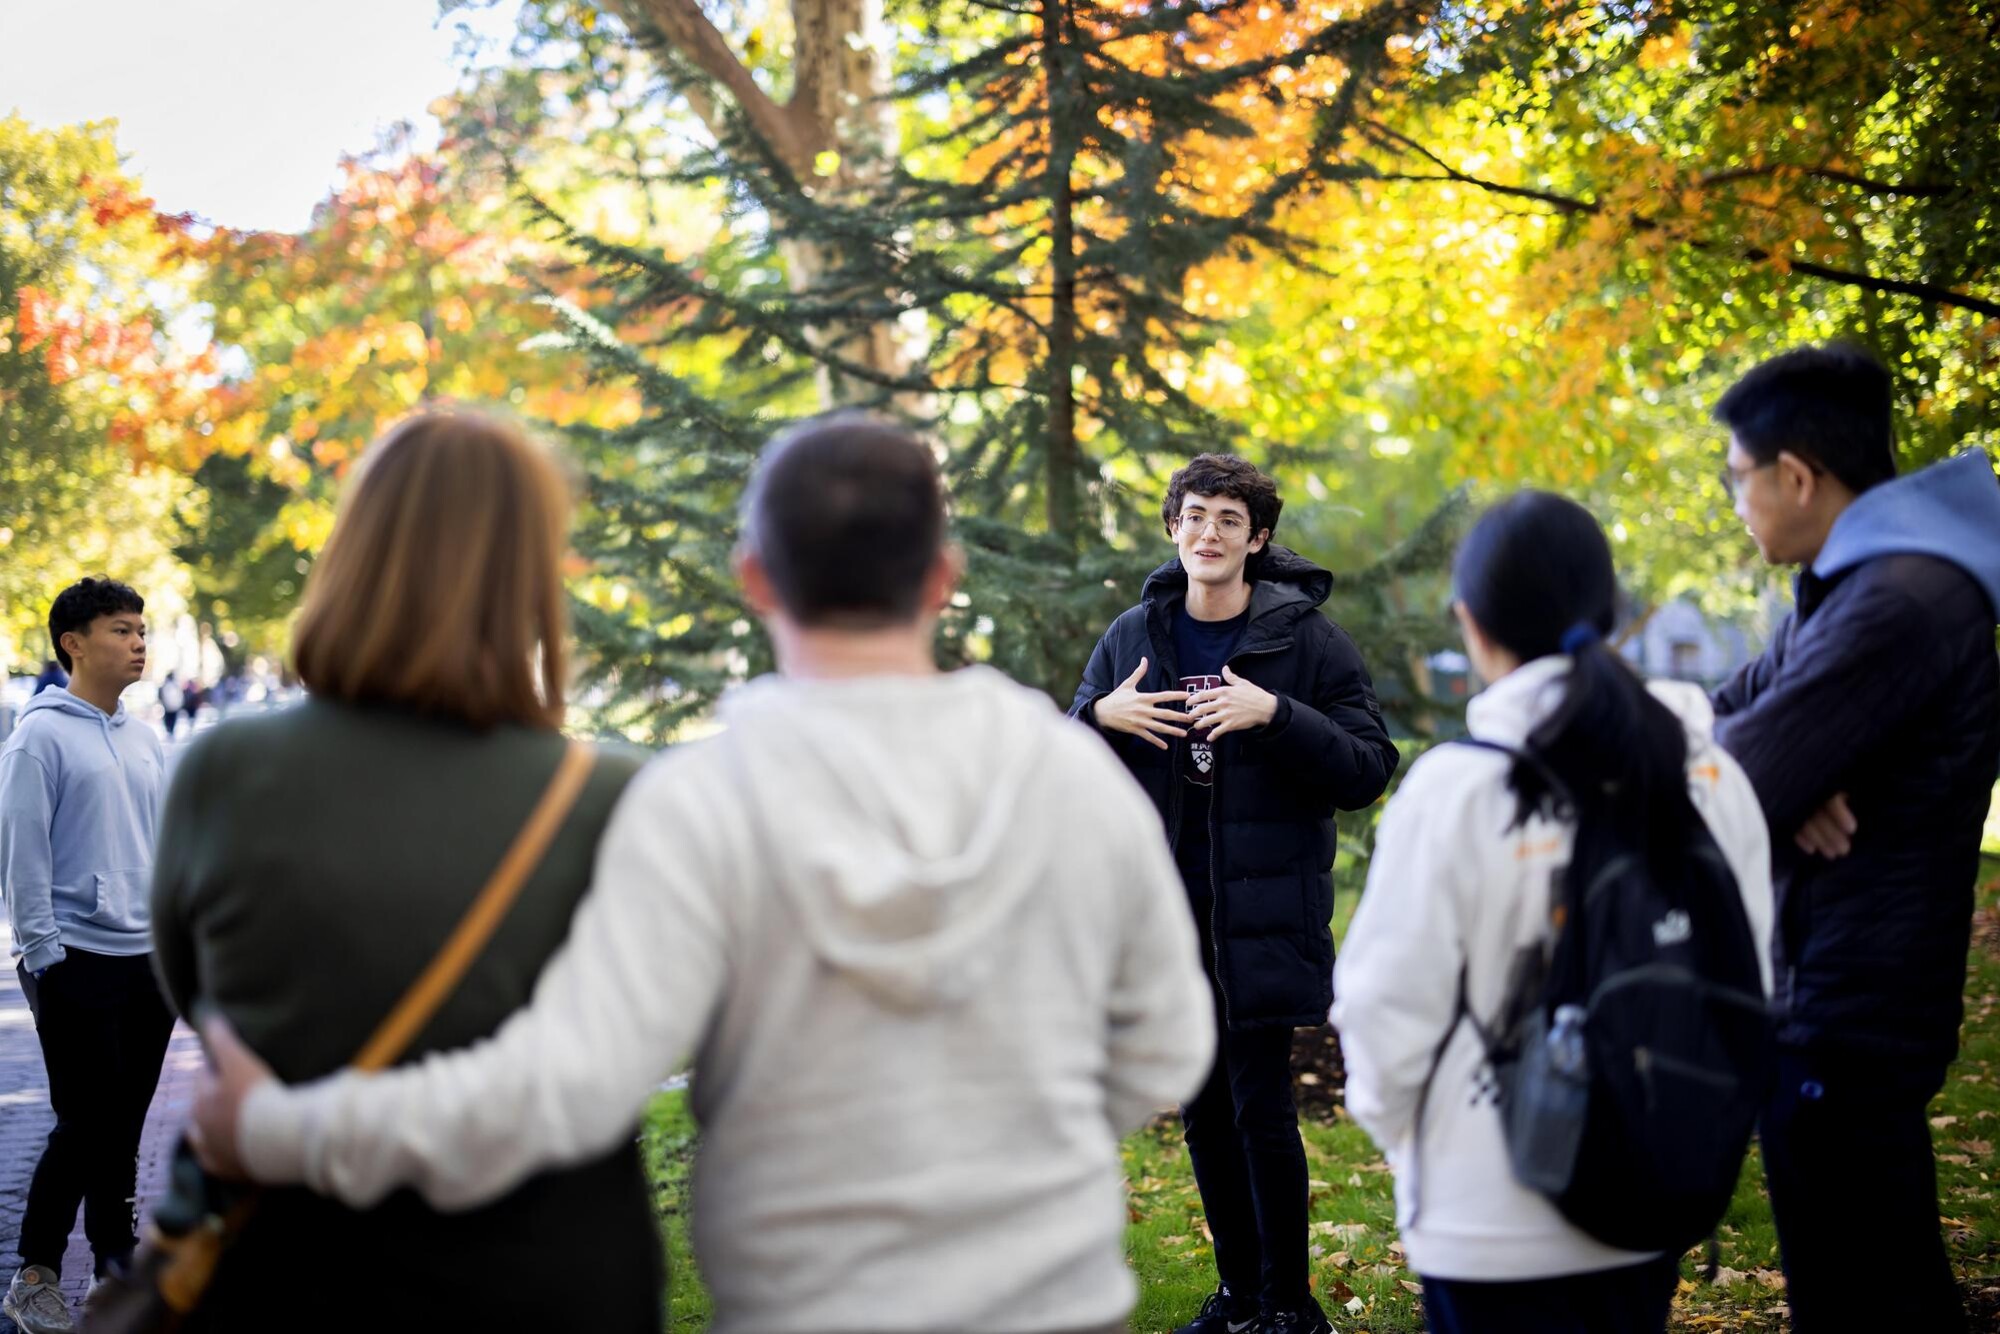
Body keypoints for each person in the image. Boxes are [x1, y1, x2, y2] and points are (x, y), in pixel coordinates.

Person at [186, 414, 1216, 1334]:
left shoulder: (702, 798)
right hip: (1062, 1297)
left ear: (753, 576)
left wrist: (280, 1128)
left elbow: (567, 1087)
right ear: (941, 577)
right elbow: (1169, 1043)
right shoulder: (1071, 775)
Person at [145, 412, 665, 1332]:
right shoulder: (607, 794)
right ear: (530, 575)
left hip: (288, 1271)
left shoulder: (224, 770)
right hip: (548, 1279)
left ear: (353, 551)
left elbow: (194, 993)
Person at [1333, 492, 1775, 1334]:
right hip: (1655, 1188)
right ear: (1608, 612)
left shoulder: (1459, 789)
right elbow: (1748, 966)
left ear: (1472, 622)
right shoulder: (1710, 776)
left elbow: (1385, 1007)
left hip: (1487, 1211)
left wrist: (1416, 1141)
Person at [1069, 454, 1400, 1334]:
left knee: (1259, 1109)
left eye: (1228, 520)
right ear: (1172, 527)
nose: (1208, 533)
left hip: (1259, 915)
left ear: (1257, 539)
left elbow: (1370, 768)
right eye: (1194, 516)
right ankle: (1239, 1295)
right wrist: (1100, 721)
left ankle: (1291, 1307)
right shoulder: (1132, 637)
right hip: (1166, 917)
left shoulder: (1306, 640)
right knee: (1204, 1113)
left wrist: (1276, 715)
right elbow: (1059, 769)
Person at [1707, 345, 2000, 1331]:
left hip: (1852, 1007)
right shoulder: (1852, 587)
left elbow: (1732, 778)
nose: (1734, 499)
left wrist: (1767, 774)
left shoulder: (1896, 602)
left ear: (1794, 474)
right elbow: (1725, 724)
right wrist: (1777, 776)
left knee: (1867, 1304)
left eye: (1734, 475)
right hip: (1830, 990)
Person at [0, 579, 174, 1334]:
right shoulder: (39, 734)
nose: (139, 642)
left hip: (148, 962)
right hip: (75, 957)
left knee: (123, 1123)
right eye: (120, 629)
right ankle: (35, 1277)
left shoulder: (146, 737)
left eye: (142, 630)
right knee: (85, 1123)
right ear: (74, 642)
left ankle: (114, 1264)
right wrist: (43, 953)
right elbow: (22, 852)